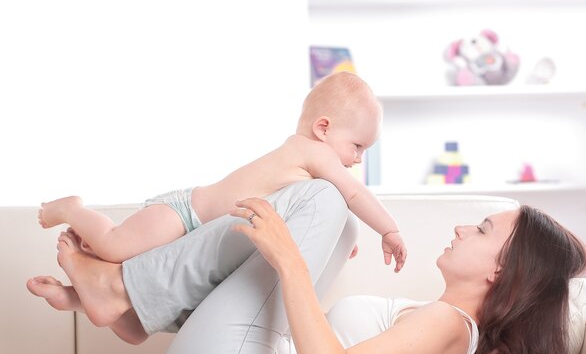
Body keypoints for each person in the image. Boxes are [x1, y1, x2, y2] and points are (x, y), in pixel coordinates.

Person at [27, 179, 586, 354]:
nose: (464, 228)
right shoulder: (442, 323)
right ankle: (128, 304)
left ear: (499, 273)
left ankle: (122, 288)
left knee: (321, 199)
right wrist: (300, 262)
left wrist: (292, 262)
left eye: (483, 230)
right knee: (338, 227)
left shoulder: (449, 325)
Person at [36, 71, 406, 271]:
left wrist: (331, 237)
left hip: (199, 236)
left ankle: (78, 281)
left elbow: (302, 214)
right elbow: (354, 193)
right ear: (323, 129)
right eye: (357, 146)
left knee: (131, 303)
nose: (357, 160)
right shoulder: (313, 152)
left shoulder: (310, 168)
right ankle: (72, 209)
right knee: (115, 246)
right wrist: (389, 230)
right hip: (184, 215)